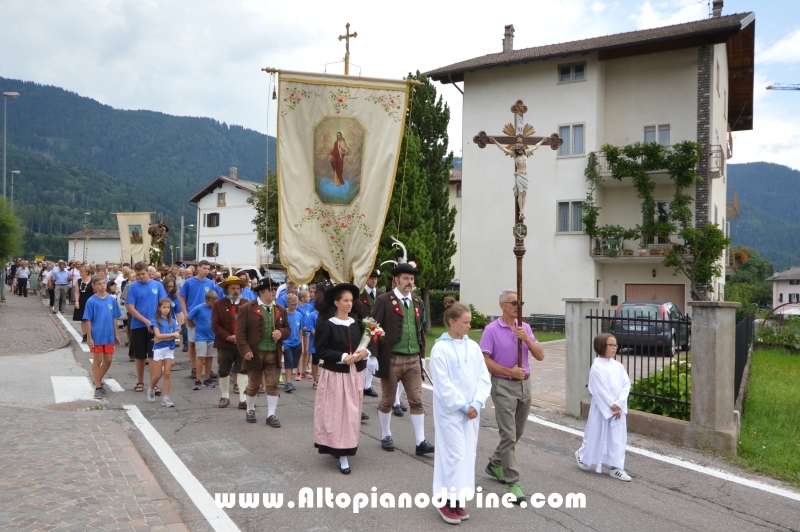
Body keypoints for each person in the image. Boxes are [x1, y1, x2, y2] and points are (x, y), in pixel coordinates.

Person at [479, 289, 545, 505]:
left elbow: (540, 355)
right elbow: (484, 360)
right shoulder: (491, 330)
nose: (518, 306)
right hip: (503, 385)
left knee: (517, 431)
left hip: (525, 385)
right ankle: (513, 482)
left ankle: (495, 463)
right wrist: (508, 372)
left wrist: (526, 339)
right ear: (502, 306)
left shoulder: (524, 327)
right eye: (513, 302)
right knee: (508, 434)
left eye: (520, 302)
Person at [431, 303, 492, 524]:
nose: (469, 325)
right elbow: (443, 384)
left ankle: (457, 498)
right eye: (465, 322)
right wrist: (464, 406)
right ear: (452, 321)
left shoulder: (473, 347)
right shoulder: (440, 349)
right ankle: (444, 500)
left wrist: (477, 401)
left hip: (472, 411)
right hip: (451, 412)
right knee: (453, 454)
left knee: (467, 454)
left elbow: (483, 377)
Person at [371, 262, 434, 455]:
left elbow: (420, 330)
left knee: (416, 400)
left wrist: (422, 355)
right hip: (391, 359)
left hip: (413, 359)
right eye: (406, 278)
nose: (410, 282)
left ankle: (420, 441)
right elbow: (372, 326)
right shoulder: (383, 300)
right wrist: (373, 355)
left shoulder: (417, 302)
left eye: (412, 279)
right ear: (396, 280)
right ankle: (386, 434)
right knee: (388, 400)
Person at [313, 283, 369, 474]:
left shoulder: (357, 324)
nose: (349, 304)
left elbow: (364, 346)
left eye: (351, 300)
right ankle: (341, 453)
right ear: (336, 303)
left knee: (352, 414)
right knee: (337, 413)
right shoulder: (327, 324)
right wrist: (342, 356)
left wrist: (364, 353)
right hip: (336, 376)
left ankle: (346, 446)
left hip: (354, 375)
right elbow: (320, 350)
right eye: (345, 300)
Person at [576, 333, 632, 482]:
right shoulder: (596, 367)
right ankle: (583, 456)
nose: (615, 348)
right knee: (596, 435)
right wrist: (612, 406)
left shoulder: (618, 366)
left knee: (617, 438)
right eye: (611, 345)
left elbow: (626, 384)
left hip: (617, 409)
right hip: (603, 409)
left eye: (616, 345)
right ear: (602, 346)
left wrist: (619, 404)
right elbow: (599, 390)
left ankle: (616, 467)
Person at [235, 276, 289, 426]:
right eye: (270, 290)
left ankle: (271, 415)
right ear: (261, 292)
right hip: (254, 353)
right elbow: (240, 333)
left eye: (274, 289)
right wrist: (245, 350)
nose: (273, 292)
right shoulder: (247, 308)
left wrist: (281, 332)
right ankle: (250, 409)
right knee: (254, 384)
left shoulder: (280, 309)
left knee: (273, 385)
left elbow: (288, 329)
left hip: (273, 352)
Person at [126, 261, 168, 394]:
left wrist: (155, 322)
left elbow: (163, 304)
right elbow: (130, 307)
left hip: (155, 325)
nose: (141, 277)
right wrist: (145, 321)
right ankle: (140, 381)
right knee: (139, 355)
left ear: (148, 272)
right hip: (138, 325)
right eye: (138, 275)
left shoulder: (157, 285)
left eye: (143, 274)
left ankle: (153, 383)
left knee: (153, 354)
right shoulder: (133, 287)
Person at [180, 260, 224, 380]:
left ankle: (208, 371)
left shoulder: (210, 283)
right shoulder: (189, 282)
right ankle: (194, 367)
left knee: (208, 344)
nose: (206, 270)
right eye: (204, 268)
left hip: (206, 317)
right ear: (198, 268)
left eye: (208, 268)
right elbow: (182, 298)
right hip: (193, 315)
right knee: (193, 342)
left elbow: (215, 298)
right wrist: (185, 314)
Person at [212, 275, 249, 408]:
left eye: (238, 288)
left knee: (243, 370)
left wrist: (242, 338)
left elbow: (250, 324)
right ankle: (225, 396)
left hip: (242, 344)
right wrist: (228, 337)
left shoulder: (246, 303)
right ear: (227, 290)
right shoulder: (218, 304)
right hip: (224, 343)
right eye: (233, 288)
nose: (236, 291)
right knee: (223, 370)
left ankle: (243, 399)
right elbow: (215, 325)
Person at [83, 275, 122, 399]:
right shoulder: (91, 301)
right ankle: (98, 387)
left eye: (104, 283)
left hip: (109, 335)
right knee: (98, 360)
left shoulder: (111, 299)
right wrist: (90, 337)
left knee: (109, 360)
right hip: (97, 335)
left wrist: (116, 334)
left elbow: (114, 318)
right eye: (99, 284)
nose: (102, 286)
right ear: (94, 286)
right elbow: (88, 320)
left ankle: (97, 379)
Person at [150, 298, 180, 407]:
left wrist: (163, 338)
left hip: (169, 349)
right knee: (158, 374)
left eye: (168, 307)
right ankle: (151, 388)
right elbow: (158, 335)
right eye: (164, 307)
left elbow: (177, 335)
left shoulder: (172, 321)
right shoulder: (156, 321)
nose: (166, 309)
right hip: (159, 349)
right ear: (159, 308)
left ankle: (166, 397)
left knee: (167, 373)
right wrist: (170, 336)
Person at [360, 269, 383, 398]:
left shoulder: (380, 294)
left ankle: (367, 385)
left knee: (373, 357)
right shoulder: (360, 293)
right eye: (371, 278)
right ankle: (361, 385)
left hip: (377, 330)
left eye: (375, 278)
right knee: (364, 359)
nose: (374, 281)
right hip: (364, 331)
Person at [189, 290, 218, 390]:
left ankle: (207, 379)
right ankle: (197, 380)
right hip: (201, 336)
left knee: (210, 358)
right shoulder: (199, 308)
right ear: (207, 300)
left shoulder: (215, 308)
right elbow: (189, 318)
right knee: (201, 357)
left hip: (212, 336)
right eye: (212, 302)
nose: (214, 304)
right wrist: (194, 325)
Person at [282, 293, 303, 391]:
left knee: (293, 363)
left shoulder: (299, 314)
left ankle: (288, 381)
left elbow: (300, 329)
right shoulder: (283, 314)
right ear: (287, 304)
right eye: (292, 305)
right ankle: (288, 382)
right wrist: (281, 343)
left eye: (296, 304)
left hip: (296, 342)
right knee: (289, 362)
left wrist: (301, 340)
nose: (294, 306)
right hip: (286, 343)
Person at [73, 266, 94, 342]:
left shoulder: (92, 281)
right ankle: (84, 335)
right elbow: (77, 292)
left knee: (91, 319)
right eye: (80, 272)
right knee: (83, 319)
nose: (80, 273)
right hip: (82, 301)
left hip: (91, 301)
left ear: (86, 272)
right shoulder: (78, 281)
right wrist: (77, 302)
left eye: (81, 272)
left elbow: (95, 292)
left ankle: (91, 334)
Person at [305, 304, 320, 389]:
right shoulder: (312, 316)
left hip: (326, 343)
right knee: (315, 361)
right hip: (315, 343)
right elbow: (313, 331)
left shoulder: (327, 314)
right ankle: (316, 381)